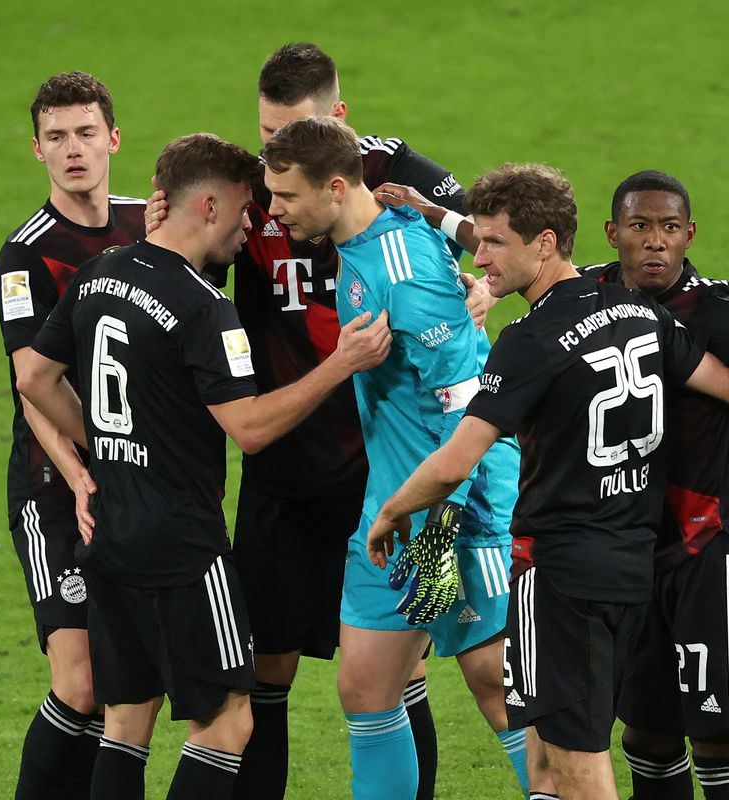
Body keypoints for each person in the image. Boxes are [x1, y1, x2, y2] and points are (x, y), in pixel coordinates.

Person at [144, 42, 497, 799]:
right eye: (267, 135)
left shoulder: (397, 200)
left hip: (412, 489)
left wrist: (479, 289)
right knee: (311, 678)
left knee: (449, 677)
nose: (274, 167)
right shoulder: (282, 196)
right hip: (313, 477)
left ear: (338, 130)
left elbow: (488, 257)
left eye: (292, 138)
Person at [366, 163, 729, 800]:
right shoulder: (638, 310)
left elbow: (452, 465)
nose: (482, 256)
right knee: (548, 759)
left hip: (559, 579)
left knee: (580, 765)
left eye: (495, 242)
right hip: (632, 569)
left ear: (545, 244)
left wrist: (390, 512)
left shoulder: (529, 340)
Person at [16, 132, 391, 800]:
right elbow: (248, 430)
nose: (253, 227)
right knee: (227, 726)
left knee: (126, 724)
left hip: (108, 531)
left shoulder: (101, 273)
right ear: (211, 207)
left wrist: (105, 443)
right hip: (184, 547)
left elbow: (38, 381)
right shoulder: (204, 308)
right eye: (247, 210)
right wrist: (341, 363)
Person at [262, 117, 528, 800]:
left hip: (452, 513)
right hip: (395, 511)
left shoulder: (400, 274)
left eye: (286, 197)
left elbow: (466, 408)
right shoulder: (362, 238)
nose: (274, 211)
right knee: (366, 688)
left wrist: (435, 534)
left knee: (493, 683)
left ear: (336, 186)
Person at [577, 170, 729, 800]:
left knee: (723, 735)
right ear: (613, 234)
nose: (655, 241)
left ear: (689, 235)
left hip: (715, 547)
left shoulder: (712, 306)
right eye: (639, 226)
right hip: (630, 547)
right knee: (647, 733)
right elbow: (516, 242)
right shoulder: (584, 297)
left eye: (668, 228)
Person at [0, 71, 146, 799]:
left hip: (139, 482)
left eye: (86, 132)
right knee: (81, 683)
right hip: (57, 488)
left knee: (124, 692)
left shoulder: (151, 223)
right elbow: (34, 391)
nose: (73, 149)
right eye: (57, 137)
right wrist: (87, 471)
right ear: (37, 150)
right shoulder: (25, 256)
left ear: (113, 138)